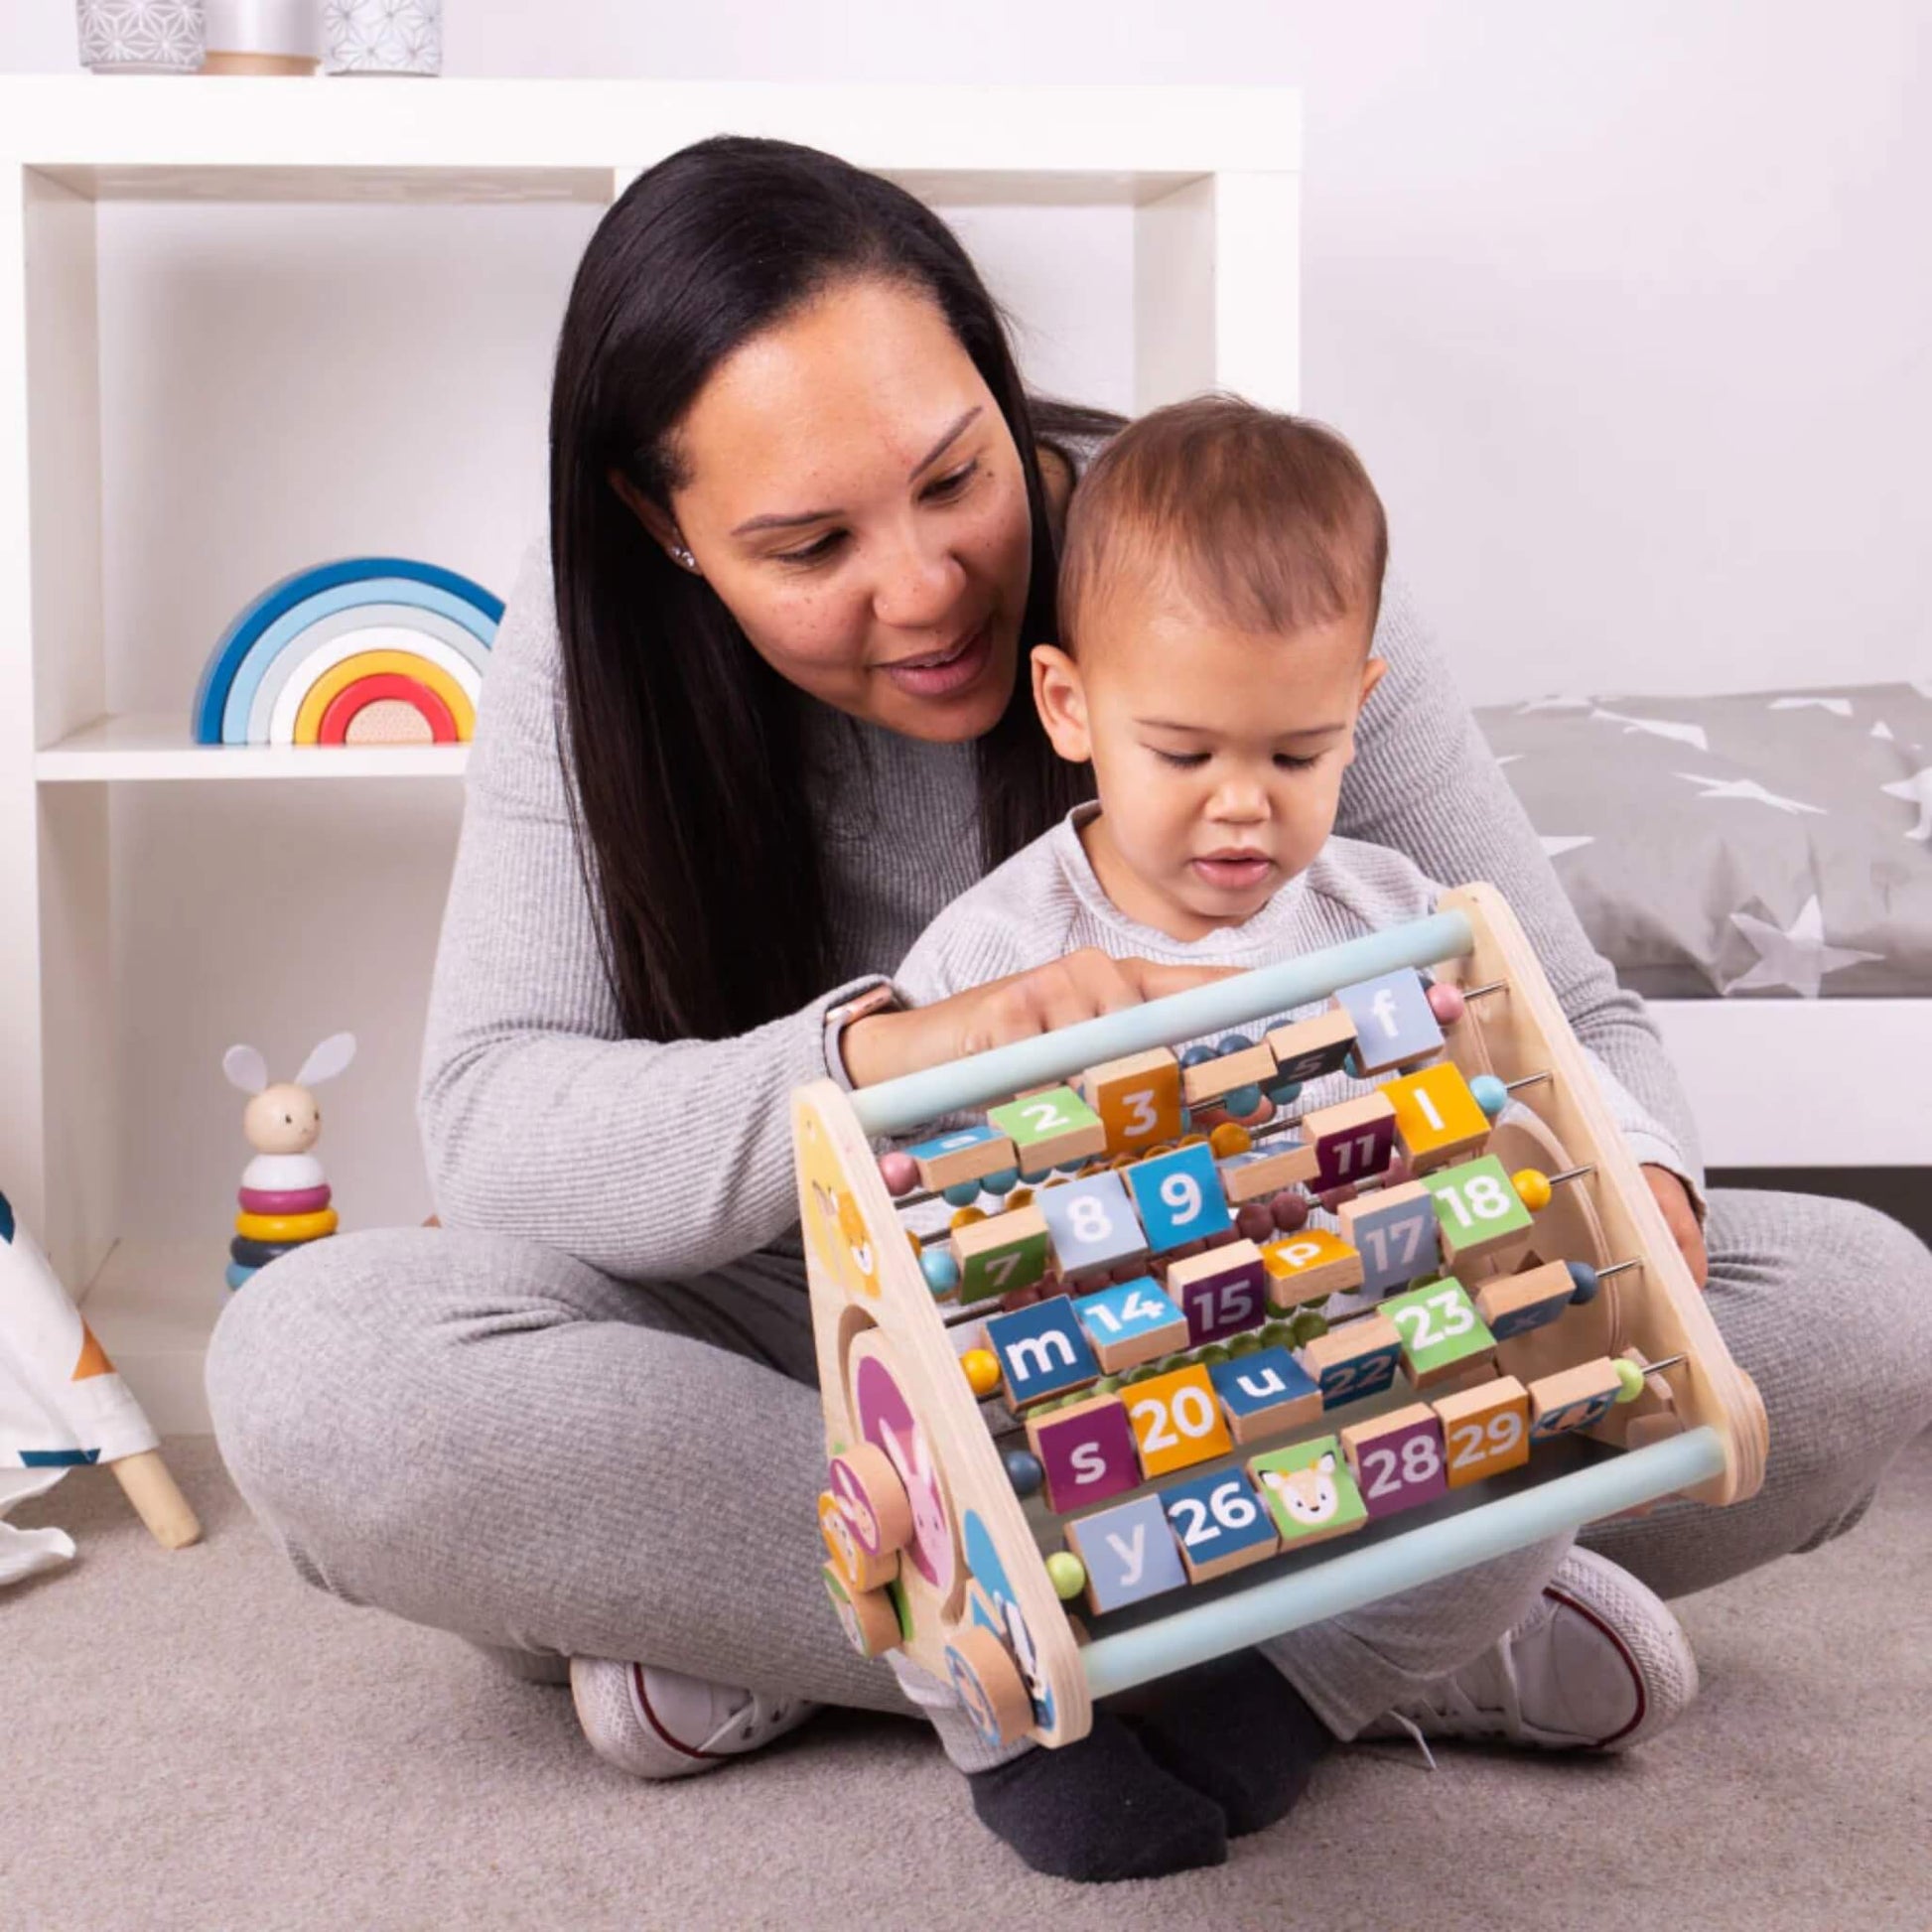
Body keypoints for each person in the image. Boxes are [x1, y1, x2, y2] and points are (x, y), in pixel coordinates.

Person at [204, 136, 1932, 1886]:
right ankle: (1375, 1639)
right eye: (807, 545)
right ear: (666, 530)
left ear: (992, 377)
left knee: (1854, 1308)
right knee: (321, 1367)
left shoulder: (1244, 578)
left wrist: (1634, 1211)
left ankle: (856, 1639)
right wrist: (888, 1053)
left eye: (955, 476)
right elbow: (498, 1122)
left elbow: (1570, 1011)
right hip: (842, 1354)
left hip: (1299, 1331)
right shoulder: (586, 652)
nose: (927, 585)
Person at [883, 392, 1716, 1857]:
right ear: (1068, 706)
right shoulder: (987, 955)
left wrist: (1643, 1170)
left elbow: (1553, 1060)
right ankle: (1025, 1733)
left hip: (1370, 1374)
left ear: (1360, 705)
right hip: (1104, 1408)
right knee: (949, 1502)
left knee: (1547, 1439)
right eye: (1184, 752)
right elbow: (920, 1218)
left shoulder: (1398, 917)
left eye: (1294, 755)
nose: (1240, 812)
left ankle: (1308, 1688)